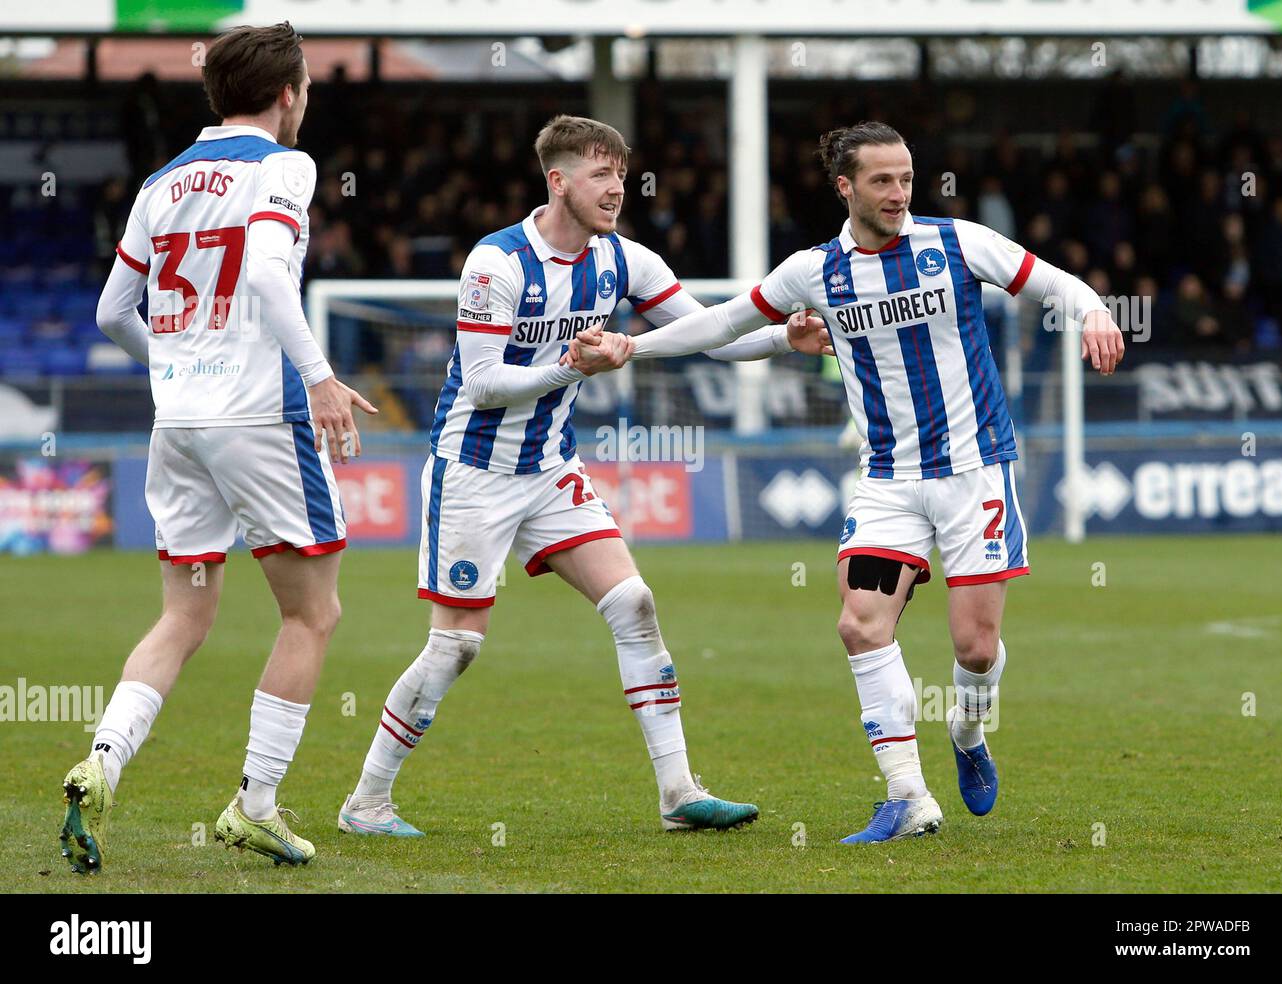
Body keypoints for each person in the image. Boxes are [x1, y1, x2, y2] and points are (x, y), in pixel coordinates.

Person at [572, 121, 1125, 843]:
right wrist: (631, 345)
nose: (898, 194)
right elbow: (720, 326)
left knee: (975, 649)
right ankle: (907, 796)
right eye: (881, 181)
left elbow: (1053, 280)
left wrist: (1094, 309)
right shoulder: (814, 270)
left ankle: (965, 730)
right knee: (860, 623)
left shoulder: (955, 243)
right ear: (846, 187)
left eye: (905, 178)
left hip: (973, 472)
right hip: (887, 482)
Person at [337, 115, 826, 836]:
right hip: (472, 469)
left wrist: (784, 337)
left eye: (622, 175)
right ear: (558, 181)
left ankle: (678, 793)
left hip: (548, 469)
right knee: (457, 646)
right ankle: (365, 803)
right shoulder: (494, 264)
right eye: (601, 175)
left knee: (633, 604)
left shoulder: (624, 261)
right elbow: (481, 386)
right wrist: (569, 365)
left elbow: (709, 333)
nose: (617, 189)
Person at [66, 21, 376, 872]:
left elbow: (109, 313)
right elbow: (270, 274)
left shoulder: (163, 180)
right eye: (305, 85)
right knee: (312, 612)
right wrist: (316, 376)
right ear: (286, 94)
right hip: (261, 418)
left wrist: (179, 367)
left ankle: (103, 758)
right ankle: (257, 805)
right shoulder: (285, 165)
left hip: (181, 426)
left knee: (184, 612)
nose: (306, 99)